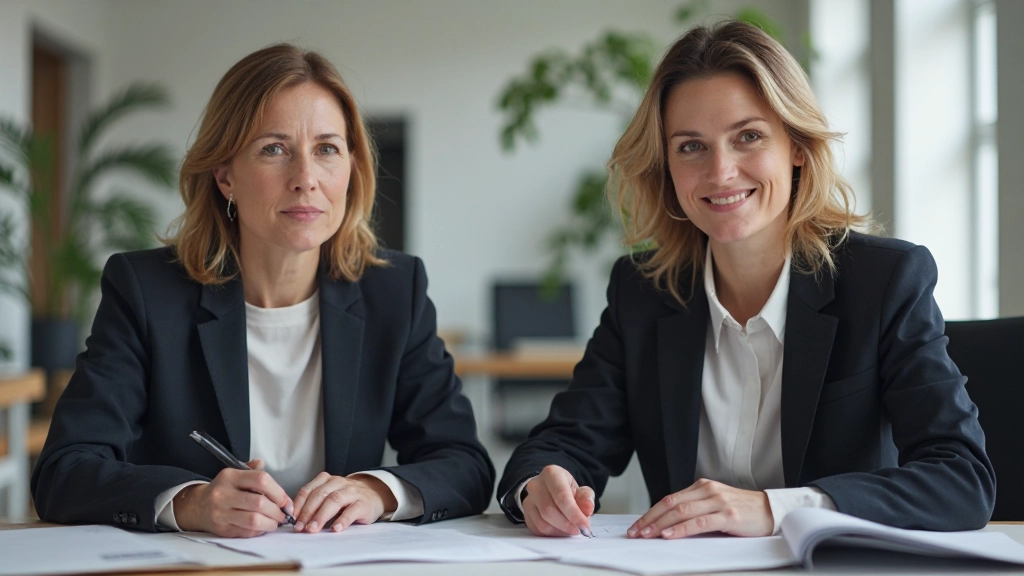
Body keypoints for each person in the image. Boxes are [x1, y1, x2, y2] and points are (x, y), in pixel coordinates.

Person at [498, 21, 995, 540]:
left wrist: (778, 509)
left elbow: (961, 480)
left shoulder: (884, 282)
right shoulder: (641, 291)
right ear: (666, 165)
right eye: (691, 146)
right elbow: (564, 443)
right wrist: (542, 486)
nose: (721, 172)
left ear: (797, 146)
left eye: (749, 137)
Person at [32, 44, 494, 537]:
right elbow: (65, 470)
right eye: (274, 149)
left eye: (327, 149)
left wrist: (374, 491)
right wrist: (190, 502)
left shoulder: (394, 291)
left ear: (352, 169)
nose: (306, 179)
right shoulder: (146, 292)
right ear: (225, 175)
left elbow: (464, 463)